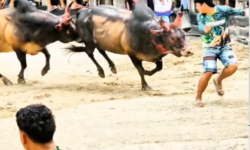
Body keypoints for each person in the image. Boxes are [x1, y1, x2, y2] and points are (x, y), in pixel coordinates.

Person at [193, 0, 246, 107]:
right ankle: (198, 98)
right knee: (208, 71)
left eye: (197, 6)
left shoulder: (223, 10)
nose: (197, 8)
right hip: (209, 47)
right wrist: (205, 30)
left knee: (233, 66)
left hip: (225, 45)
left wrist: (240, 11)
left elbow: (240, 11)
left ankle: (219, 79)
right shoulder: (201, 16)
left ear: (203, 4)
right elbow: (200, 29)